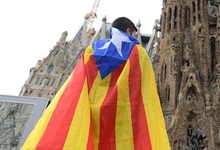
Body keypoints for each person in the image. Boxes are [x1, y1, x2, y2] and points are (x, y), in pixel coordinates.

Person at [21, 17, 170, 149]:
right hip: (121, 124)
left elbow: (76, 85)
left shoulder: (91, 51)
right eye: (133, 34)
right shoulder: (139, 53)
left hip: (90, 119)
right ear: (129, 31)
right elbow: (146, 93)